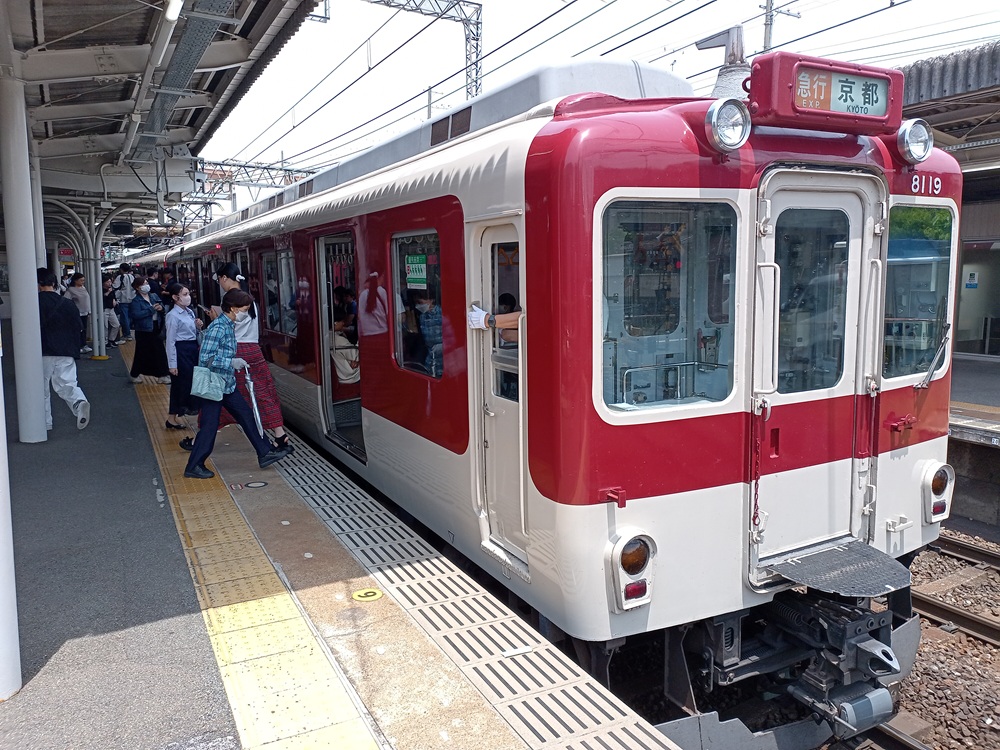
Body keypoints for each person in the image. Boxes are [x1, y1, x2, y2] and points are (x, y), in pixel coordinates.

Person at [183, 289, 292, 480]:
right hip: (214, 385)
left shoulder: (228, 325)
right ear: (233, 308)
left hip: (226, 384)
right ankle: (194, 465)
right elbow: (205, 358)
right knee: (209, 426)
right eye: (245, 309)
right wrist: (231, 362)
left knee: (247, 415)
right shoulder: (219, 327)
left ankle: (265, 452)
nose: (246, 313)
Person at [212, 262, 293, 451]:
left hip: (236, 351)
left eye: (219, 280)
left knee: (221, 396)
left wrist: (215, 320)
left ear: (225, 278)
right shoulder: (249, 298)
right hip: (254, 350)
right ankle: (280, 435)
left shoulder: (230, 299)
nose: (220, 284)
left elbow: (228, 326)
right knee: (264, 392)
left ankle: (202, 436)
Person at [37, 268, 90, 430]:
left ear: (38, 284)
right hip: (66, 350)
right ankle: (78, 402)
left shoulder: (33, 303)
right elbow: (78, 327)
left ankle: (45, 422)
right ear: (54, 283)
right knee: (67, 383)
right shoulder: (67, 303)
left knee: (41, 388)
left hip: (42, 350)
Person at [164, 283, 203, 429]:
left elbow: (192, 332)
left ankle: (178, 416)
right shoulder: (172, 316)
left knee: (191, 382)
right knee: (181, 384)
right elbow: (170, 341)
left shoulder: (189, 312)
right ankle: (173, 417)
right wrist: (172, 364)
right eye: (185, 294)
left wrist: (198, 326)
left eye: (188, 294)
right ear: (175, 297)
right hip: (181, 351)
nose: (188, 297)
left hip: (192, 349)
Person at [128, 276, 170, 384]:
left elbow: (161, 306)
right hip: (143, 330)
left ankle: (162, 374)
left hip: (155, 327)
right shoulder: (136, 301)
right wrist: (151, 310)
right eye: (143, 284)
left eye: (146, 283)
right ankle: (135, 374)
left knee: (159, 351)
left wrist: (161, 308)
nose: (146, 285)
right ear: (137, 287)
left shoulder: (153, 296)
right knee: (141, 352)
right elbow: (136, 315)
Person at [414, 288, 443, 377]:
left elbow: (453, 338)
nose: (419, 305)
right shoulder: (422, 317)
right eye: (418, 303)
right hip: (430, 361)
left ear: (431, 300)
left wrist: (442, 346)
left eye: (421, 302)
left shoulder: (442, 314)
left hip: (444, 360)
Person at [63, 273, 92, 353]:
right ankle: (78, 346)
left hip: (85, 312)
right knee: (78, 329)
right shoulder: (71, 290)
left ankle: (84, 344)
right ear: (75, 281)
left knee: (84, 329)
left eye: (83, 280)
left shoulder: (83, 288)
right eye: (81, 280)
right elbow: (66, 300)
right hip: (77, 313)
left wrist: (89, 311)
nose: (83, 282)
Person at [332, 308, 360, 384]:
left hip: (340, 375)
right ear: (335, 323)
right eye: (342, 321)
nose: (343, 323)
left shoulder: (329, 337)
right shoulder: (339, 340)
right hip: (350, 377)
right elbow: (356, 355)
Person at [112, 263, 136, 340]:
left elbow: (115, 286)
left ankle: (127, 334)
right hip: (132, 298)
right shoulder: (131, 276)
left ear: (121, 269)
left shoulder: (120, 277)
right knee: (129, 317)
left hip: (123, 299)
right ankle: (129, 332)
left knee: (124, 317)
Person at [102, 276, 121, 347]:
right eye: (107, 282)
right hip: (104, 309)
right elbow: (102, 298)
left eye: (110, 281)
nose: (109, 283)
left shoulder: (111, 289)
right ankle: (105, 341)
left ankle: (111, 340)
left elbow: (114, 297)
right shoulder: (101, 290)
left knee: (116, 325)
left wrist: (115, 301)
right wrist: (108, 292)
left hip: (111, 309)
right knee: (105, 327)